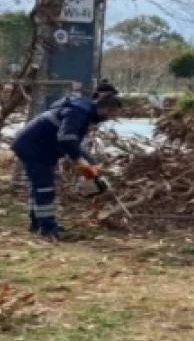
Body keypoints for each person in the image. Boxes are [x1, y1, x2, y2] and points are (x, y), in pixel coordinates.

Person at [11, 92, 123, 241]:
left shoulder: (82, 110)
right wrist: (78, 160)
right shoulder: (78, 112)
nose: (110, 117)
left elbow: (73, 142)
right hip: (33, 147)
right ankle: (47, 228)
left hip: (36, 146)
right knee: (44, 187)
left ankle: (38, 223)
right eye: (111, 113)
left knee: (38, 186)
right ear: (105, 108)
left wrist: (90, 162)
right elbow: (66, 138)